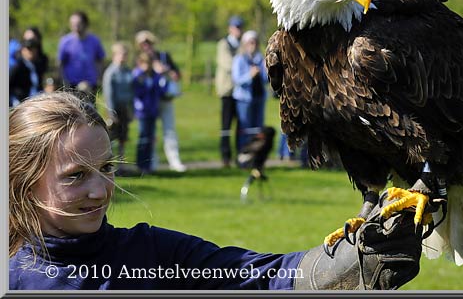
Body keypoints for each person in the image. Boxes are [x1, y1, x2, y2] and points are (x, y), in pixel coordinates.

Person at [9, 91, 425, 290]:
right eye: (75, 176)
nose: (101, 190)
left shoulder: (152, 256)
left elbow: (263, 278)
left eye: (105, 169)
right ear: (24, 182)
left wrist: (346, 264)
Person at [135, 30, 186, 172]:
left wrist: (165, 71)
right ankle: (152, 162)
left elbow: (177, 75)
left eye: (148, 43)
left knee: (169, 130)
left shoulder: (164, 56)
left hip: (165, 99)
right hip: (149, 102)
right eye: (142, 44)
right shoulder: (139, 59)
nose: (146, 46)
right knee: (150, 133)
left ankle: (174, 161)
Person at [57, 11, 106, 105]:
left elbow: (100, 60)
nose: (75, 27)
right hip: (71, 84)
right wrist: (64, 82)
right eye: (72, 24)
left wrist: (98, 77)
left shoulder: (94, 41)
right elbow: (60, 63)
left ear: (85, 24)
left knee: (90, 113)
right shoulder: (65, 41)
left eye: (78, 24)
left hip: (90, 84)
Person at [232, 30, 269, 153]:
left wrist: (267, 70)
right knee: (245, 128)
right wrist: (250, 75)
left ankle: (255, 154)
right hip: (244, 99)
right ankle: (244, 154)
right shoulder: (239, 59)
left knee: (258, 129)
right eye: (249, 42)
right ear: (244, 44)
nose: (252, 45)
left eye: (254, 42)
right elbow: (236, 79)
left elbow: (265, 80)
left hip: (259, 98)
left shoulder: (261, 59)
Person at [215, 16, 244, 168]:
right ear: (230, 28)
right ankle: (225, 156)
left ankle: (240, 154)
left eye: (239, 27)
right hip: (227, 91)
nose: (238, 30)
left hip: (240, 92)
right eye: (235, 27)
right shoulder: (223, 44)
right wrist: (244, 68)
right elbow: (228, 64)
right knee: (226, 126)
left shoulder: (242, 45)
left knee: (241, 125)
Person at [132, 52, 167, 174]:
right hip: (143, 111)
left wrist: (163, 77)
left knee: (150, 138)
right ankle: (141, 164)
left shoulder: (154, 76)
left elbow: (161, 90)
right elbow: (138, 91)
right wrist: (146, 84)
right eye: (144, 63)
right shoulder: (138, 75)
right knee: (143, 137)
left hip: (153, 110)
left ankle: (148, 165)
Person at [102, 42, 134, 161]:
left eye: (125, 54)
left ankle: (121, 163)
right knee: (111, 137)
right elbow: (108, 94)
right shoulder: (110, 73)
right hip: (114, 109)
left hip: (125, 108)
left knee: (123, 138)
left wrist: (132, 109)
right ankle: (108, 163)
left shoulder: (128, 71)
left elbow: (131, 92)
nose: (123, 57)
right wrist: (111, 113)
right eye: (121, 54)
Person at [9, 38, 43, 107]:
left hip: (36, 102)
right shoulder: (17, 67)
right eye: (28, 48)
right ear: (22, 50)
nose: (31, 51)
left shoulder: (37, 66)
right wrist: (14, 101)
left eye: (33, 48)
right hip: (21, 103)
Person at [22, 26, 50, 92]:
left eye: (32, 42)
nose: (29, 45)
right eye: (26, 41)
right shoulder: (18, 63)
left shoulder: (43, 60)